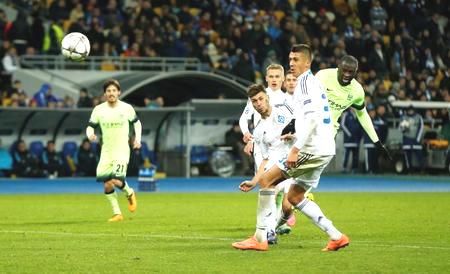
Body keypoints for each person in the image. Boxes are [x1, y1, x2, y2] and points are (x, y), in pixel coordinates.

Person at [232, 44, 348, 252]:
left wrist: (296, 149)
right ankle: (336, 236)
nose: (292, 64)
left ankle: (260, 238)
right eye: (290, 59)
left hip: (311, 148)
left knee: (267, 181)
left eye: (296, 60)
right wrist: (293, 131)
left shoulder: (304, 83)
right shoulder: (312, 83)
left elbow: (312, 119)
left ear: (307, 63)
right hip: (325, 148)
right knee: (294, 197)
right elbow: (310, 117)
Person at [239, 64, 296, 239]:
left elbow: (299, 124)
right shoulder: (256, 97)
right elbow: (244, 119)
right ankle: (270, 229)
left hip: (287, 151)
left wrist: (295, 138)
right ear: (266, 78)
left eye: (277, 76)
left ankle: (277, 222)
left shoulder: (287, 100)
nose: (274, 79)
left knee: (285, 196)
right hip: (263, 146)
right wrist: (248, 136)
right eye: (271, 76)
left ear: (282, 78)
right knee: (268, 185)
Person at [85, 78, 142, 222]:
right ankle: (117, 213)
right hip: (106, 151)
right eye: (108, 91)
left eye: (114, 91)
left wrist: (138, 139)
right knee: (107, 183)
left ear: (119, 92)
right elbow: (90, 126)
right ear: (105, 94)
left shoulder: (126, 108)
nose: (111, 93)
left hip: (122, 150)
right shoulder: (98, 110)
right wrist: (90, 134)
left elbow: (137, 124)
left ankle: (129, 193)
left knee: (116, 179)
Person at [315, 55, 391, 160]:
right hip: (309, 124)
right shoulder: (323, 76)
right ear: (338, 68)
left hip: (328, 132)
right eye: (344, 70)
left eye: (350, 72)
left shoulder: (357, 91)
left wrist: (377, 142)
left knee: (314, 166)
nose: (346, 75)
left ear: (355, 72)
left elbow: (363, 115)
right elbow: (303, 98)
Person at [399, 105, 424, 172]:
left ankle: (422, 169)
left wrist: (418, 139)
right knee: (407, 155)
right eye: (409, 110)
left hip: (416, 140)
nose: (410, 111)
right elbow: (401, 129)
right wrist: (404, 128)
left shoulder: (419, 117)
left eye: (411, 110)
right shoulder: (404, 118)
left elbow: (421, 128)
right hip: (407, 139)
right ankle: (409, 169)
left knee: (419, 154)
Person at [340, 108, 363, 173]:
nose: (354, 108)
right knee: (346, 154)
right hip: (348, 140)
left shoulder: (359, 115)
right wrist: (349, 134)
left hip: (356, 140)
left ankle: (354, 168)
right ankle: (344, 168)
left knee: (355, 155)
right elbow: (342, 125)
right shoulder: (346, 114)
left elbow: (361, 126)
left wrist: (359, 136)